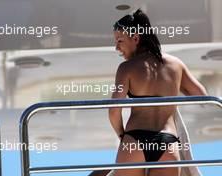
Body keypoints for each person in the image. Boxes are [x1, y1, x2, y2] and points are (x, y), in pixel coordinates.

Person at [89, 9, 207, 176]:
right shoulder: (176, 65)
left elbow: (114, 110)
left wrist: (123, 136)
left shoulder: (126, 68)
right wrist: (173, 87)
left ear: (135, 38)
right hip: (167, 143)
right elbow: (202, 96)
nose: (116, 47)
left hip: (134, 141)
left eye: (120, 41)